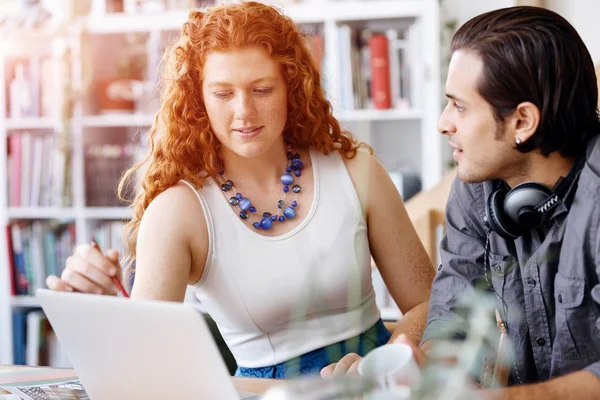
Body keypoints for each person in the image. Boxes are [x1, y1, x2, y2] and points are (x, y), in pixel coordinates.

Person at [46, 1, 435, 379]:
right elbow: (144, 362)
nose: (244, 112)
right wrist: (102, 306)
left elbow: (429, 301)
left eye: (262, 89)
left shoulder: (356, 171)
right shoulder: (179, 211)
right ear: (198, 99)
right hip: (260, 392)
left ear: (292, 89)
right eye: (223, 93)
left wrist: (384, 362)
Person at [394, 5, 600, 398]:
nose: (443, 123)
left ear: (523, 121)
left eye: (459, 106)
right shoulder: (476, 185)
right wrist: (431, 366)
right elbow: (454, 310)